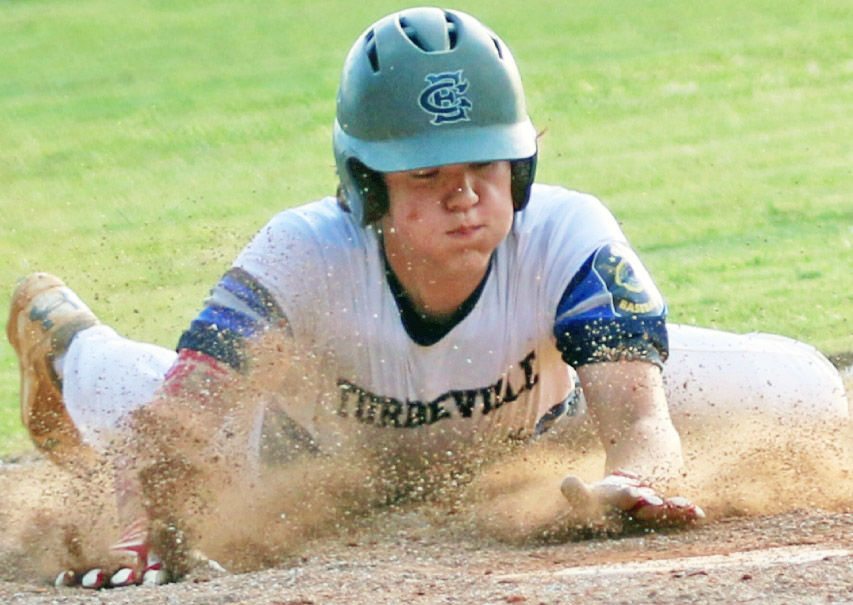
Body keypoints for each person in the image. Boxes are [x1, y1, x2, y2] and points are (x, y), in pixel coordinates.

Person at [6, 6, 848, 589]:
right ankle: (66, 338)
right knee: (136, 399)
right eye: (427, 173)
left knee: (805, 390)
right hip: (300, 456)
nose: (464, 195)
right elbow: (179, 422)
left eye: (485, 166)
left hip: (530, 433)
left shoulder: (565, 232)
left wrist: (632, 481)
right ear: (365, 186)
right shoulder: (301, 251)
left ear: (519, 168)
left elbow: (638, 422)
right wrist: (136, 528)